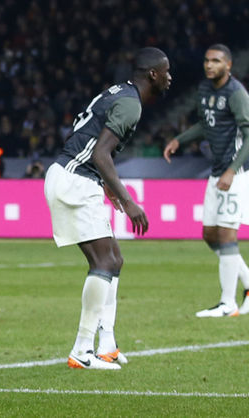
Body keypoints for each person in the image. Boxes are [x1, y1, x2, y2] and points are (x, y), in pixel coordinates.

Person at [44, 47, 171, 370]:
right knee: (105, 261)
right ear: (153, 74)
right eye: (166, 72)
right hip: (75, 180)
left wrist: (107, 186)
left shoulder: (118, 93)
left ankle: (107, 345)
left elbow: (84, 139)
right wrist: (128, 202)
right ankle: (82, 349)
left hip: (74, 176)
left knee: (114, 259)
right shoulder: (130, 104)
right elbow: (100, 154)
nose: (169, 78)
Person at [163, 44, 249, 318]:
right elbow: (206, 124)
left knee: (226, 233)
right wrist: (179, 140)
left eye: (216, 61)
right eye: (207, 60)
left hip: (239, 172)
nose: (210, 65)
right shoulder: (204, 89)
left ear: (228, 65)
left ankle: (227, 303)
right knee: (210, 235)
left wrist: (232, 170)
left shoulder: (236, 94)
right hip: (218, 171)